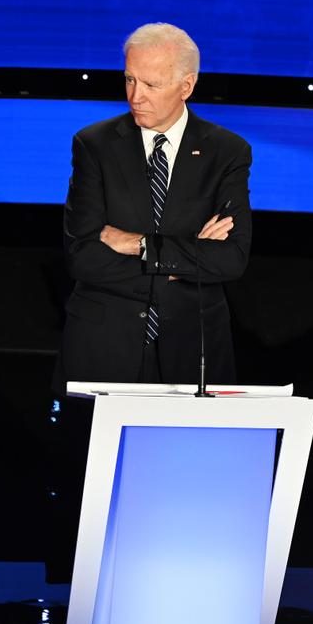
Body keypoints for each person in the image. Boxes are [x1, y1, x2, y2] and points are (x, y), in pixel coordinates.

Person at [56, 22, 253, 386]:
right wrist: (189, 258)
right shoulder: (93, 144)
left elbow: (230, 259)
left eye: (151, 84)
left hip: (193, 349)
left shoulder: (227, 152)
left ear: (187, 85)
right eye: (130, 79)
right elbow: (82, 254)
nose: (136, 96)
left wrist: (140, 245)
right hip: (104, 347)